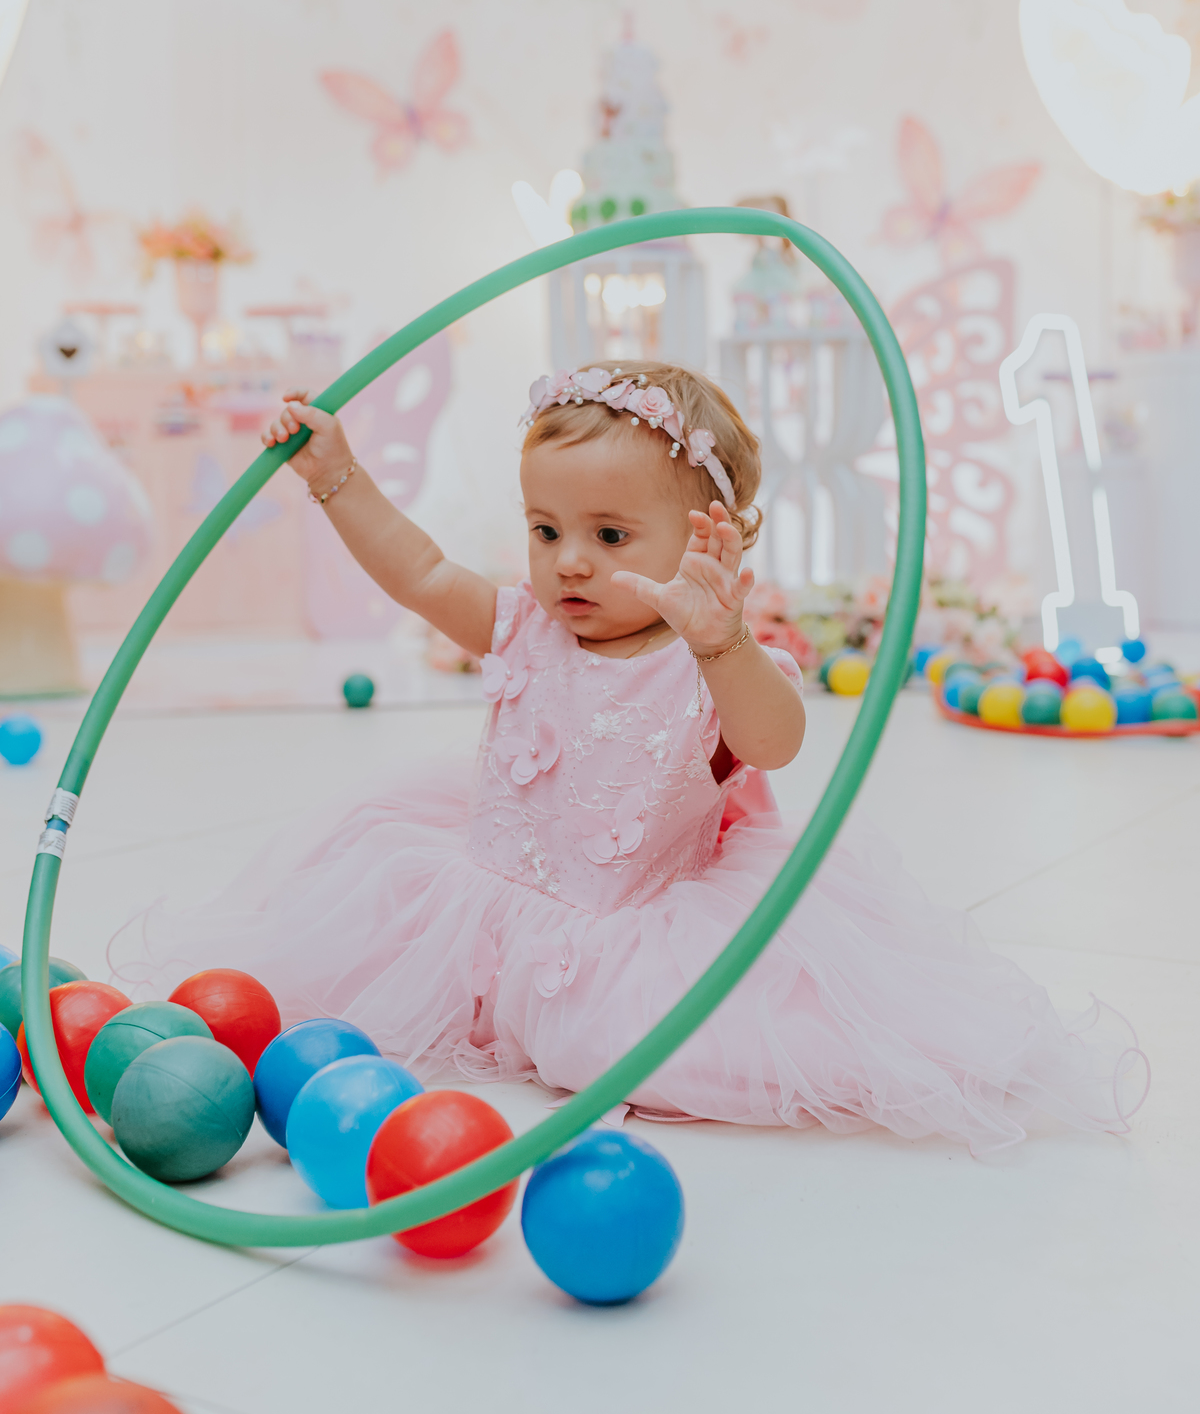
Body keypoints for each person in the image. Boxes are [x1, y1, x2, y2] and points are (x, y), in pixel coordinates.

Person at [109, 360, 1148, 1153]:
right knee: (349, 968)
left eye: (611, 536)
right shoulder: (523, 624)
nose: (568, 561)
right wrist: (336, 479)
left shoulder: (709, 658)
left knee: (612, 1053)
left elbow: (776, 739)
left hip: (634, 922)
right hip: (489, 888)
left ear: (709, 542)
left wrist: (721, 638)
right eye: (546, 527)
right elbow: (422, 570)